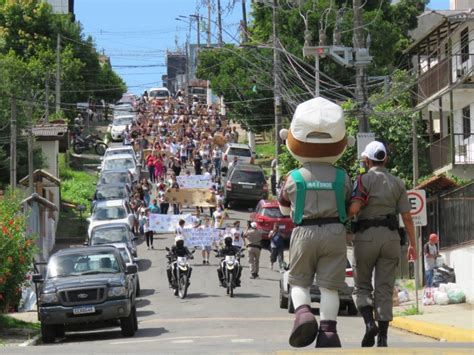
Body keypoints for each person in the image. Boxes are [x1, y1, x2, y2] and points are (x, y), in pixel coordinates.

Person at [278, 97, 352, 348]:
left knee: (298, 280)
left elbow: (282, 206)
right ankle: (329, 333)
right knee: (330, 287)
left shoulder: (293, 177)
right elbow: (350, 202)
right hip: (335, 232)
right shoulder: (343, 176)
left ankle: (303, 314)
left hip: (304, 231)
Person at [348, 140, 417, 348]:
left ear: (367, 160)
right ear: (385, 159)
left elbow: (353, 209)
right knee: (384, 288)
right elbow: (407, 217)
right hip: (391, 238)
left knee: (361, 286)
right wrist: (413, 244)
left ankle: (370, 324)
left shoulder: (362, 180)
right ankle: (383, 337)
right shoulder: (398, 182)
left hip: (366, 237)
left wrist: (348, 216)